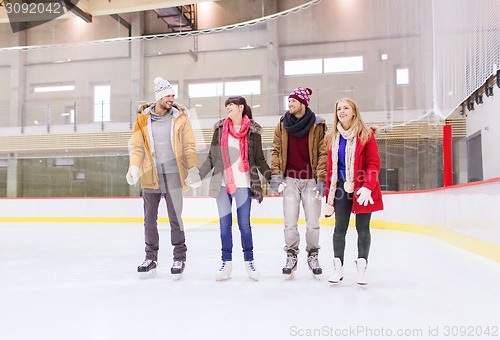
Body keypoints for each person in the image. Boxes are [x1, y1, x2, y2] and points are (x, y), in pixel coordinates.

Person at [126, 77, 201, 279]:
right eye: (168, 95)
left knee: (175, 218)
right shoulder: (142, 119)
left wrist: (193, 168)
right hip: (150, 175)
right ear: (159, 96)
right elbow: (137, 147)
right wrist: (134, 166)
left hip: (174, 175)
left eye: (173, 95)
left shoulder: (180, 118)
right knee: (149, 220)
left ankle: (179, 257)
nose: (171, 99)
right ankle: (150, 258)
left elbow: (189, 146)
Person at [199, 96, 271, 281]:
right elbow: (211, 157)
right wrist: (198, 175)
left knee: (244, 226)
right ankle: (226, 263)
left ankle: (250, 262)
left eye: (231, 105)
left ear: (241, 107)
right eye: (226, 106)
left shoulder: (253, 132)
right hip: (222, 185)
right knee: (224, 226)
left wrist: (272, 178)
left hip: (244, 185)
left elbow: (260, 159)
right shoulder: (220, 130)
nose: (228, 108)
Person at [324, 98, 384, 285]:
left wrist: (367, 186)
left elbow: (373, 164)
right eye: (338, 109)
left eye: (345, 108)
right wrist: (329, 199)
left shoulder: (365, 135)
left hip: (363, 188)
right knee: (339, 229)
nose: (341, 111)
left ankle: (362, 269)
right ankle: (338, 268)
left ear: (354, 112)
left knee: (363, 228)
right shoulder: (333, 137)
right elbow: (330, 170)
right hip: (341, 188)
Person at [271, 87, 327, 279]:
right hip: (290, 181)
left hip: (311, 180)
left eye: (293, 101)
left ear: (303, 103)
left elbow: (323, 153)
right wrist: (276, 175)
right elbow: (276, 150)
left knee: (312, 223)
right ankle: (291, 255)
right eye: (289, 102)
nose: (290, 105)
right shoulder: (282, 124)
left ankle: (313, 255)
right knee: (290, 223)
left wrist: (321, 179)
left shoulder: (318, 125)